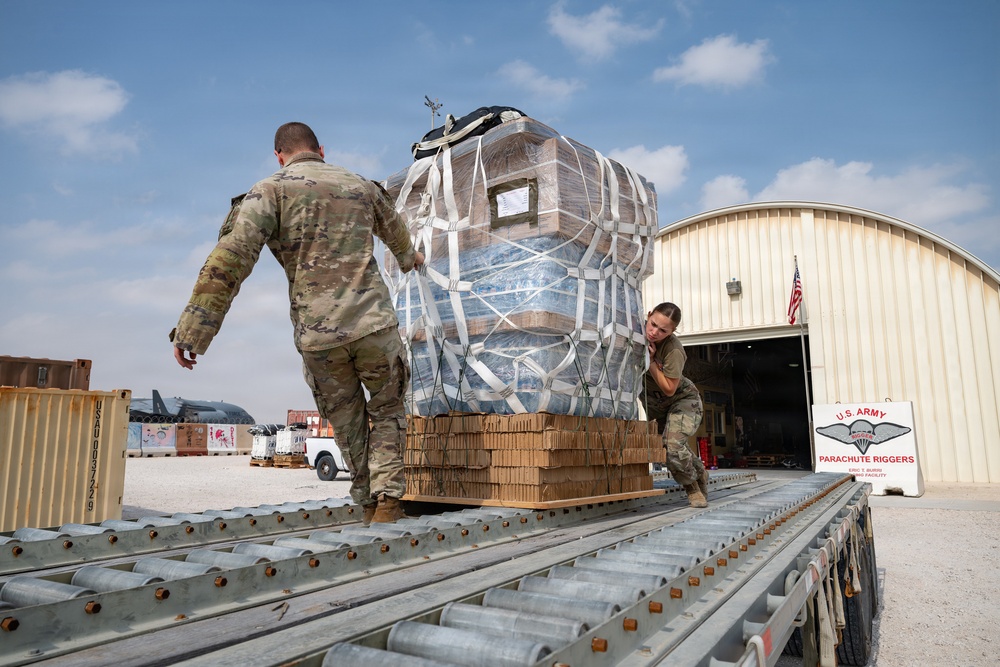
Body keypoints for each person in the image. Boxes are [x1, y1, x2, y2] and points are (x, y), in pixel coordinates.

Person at [170, 122, 423, 524]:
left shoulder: (269, 192)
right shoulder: (362, 186)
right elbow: (399, 237)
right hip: (374, 326)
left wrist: (194, 330)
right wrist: (412, 260)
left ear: (279, 156)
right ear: (321, 149)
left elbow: (230, 259)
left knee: (346, 420)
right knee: (388, 410)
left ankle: (367, 501)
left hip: (319, 337)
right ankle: (389, 501)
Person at [642, 302, 710, 508]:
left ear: (672, 332)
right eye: (652, 324)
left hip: (682, 400)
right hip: (655, 403)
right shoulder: (635, 331)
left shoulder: (673, 350)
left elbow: (669, 388)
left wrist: (652, 362)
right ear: (649, 315)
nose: (654, 332)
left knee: (672, 447)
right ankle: (699, 472)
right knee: (669, 446)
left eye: (663, 330)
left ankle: (693, 489)